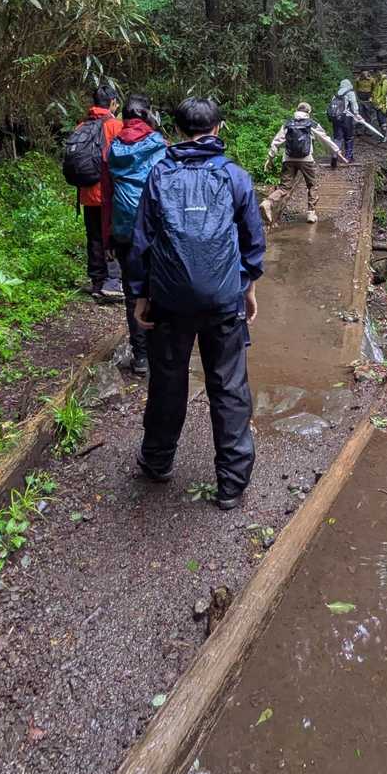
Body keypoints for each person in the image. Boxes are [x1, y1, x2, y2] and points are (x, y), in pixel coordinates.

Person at [129, 97, 265, 511]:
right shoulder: (235, 176)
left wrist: (140, 295)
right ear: (217, 129)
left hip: (168, 300)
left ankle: (157, 461)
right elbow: (252, 240)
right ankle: (231, 485)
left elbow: (142, 241)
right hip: (223, 300)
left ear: (176, 132)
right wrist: (247, 286)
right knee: (229, 386)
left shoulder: (159, 175)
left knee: (167, 381)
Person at [106, 93, 168, 376]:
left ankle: (141, 356)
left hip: (124, 229)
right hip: (155, 228)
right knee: (161, 286)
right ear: (148, 115)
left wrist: (108, 233)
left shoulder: (113, 149)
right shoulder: (159, 146)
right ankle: (161, 349)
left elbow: (107, 195)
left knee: (133, 291)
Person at [65, 82, 124, 299]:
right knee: (112, 235)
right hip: (109, 193)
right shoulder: (115, 126)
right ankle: (113, 281)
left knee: (94, 236)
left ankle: (97, 281)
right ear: (113, 103)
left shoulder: (81, 126)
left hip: (87, 192)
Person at [260, 101, 344, 224]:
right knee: (312, 185)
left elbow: (276, 141)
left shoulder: (287, 123)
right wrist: (336, 151)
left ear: (296, 110)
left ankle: (268, 202)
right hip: (306, 160)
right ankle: (311, 213)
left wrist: (270, 158)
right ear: (308, 112)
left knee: (284, 187)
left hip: (288, 159)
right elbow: (325, 139)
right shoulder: (312, 123)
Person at [328, 78, 360, 167]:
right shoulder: (350, 92)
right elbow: (354, 103)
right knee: (349, 137)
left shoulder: (336, 94)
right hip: (347, 118)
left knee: (337, 138)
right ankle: (348, 157)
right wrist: (357, 114)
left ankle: (334, 155)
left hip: (336, 119)